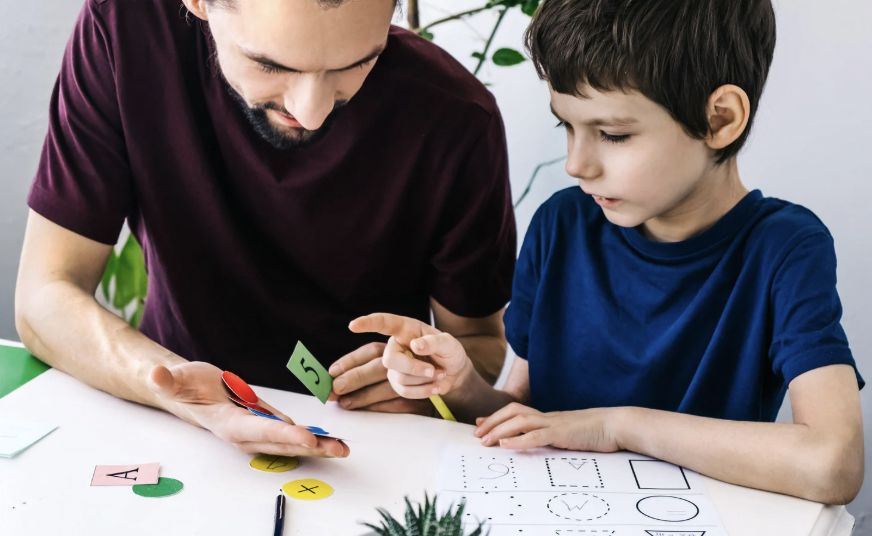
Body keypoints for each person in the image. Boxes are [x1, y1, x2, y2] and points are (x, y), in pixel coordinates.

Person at [355, 0, 866, 503]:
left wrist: (618, 426)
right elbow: (524, 415)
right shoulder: (561, 224)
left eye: (613, 134)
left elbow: (833, 462)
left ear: (719, 119)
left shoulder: (785, 249)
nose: (577, 164)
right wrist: (461, 384)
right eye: (567, 126)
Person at [14, 0, 515, 460]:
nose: (312, 111)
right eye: (271, 65)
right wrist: (176, 390)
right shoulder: (124, 30)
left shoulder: (456, 117)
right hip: (166, 421)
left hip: (368, 448)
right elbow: (45, 296)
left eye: (356, 63)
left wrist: (432, 379)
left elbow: (479, 342)